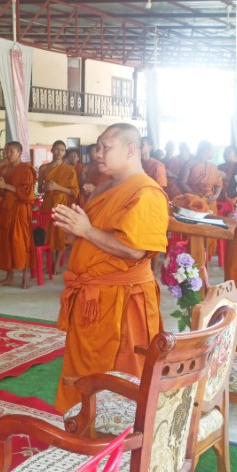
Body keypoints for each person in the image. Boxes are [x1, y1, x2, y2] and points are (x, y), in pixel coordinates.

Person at [51, 123, 169, 412]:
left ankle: (118, 431)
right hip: (93, 298)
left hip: (122, 299)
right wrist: (77, 231)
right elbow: (95, 234)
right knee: (84, 370)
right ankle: (83, 423)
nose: (98, 154)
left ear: (130, 150)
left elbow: (133, 249)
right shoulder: (105, 186)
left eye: (106, 148)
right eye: (98, 148)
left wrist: (86, 231)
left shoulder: (145, 192)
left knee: (119, 372)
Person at [0, 142, 36, 288]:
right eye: (6, 151)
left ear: (19, 153)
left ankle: (25, 274)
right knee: (6, 242)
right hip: (6, 209)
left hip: (20, 210)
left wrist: (6, 186)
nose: (8, 154)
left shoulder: (26, 169)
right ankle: (9, 276)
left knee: (21, 241)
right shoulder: (4, 169)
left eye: (11, 151)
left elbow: (28, 194)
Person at [38, 140, 80, 273]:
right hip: (48, 203)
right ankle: (50, 262)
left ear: (64, 152)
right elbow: (39, 189)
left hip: (62, 203)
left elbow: (74, 191)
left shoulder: (69, 169)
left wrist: (57, 187)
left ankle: (56, 264)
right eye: (56, 149)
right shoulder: (43, 168)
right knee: (48, 234)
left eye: (62, 150)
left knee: (60, 234)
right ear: (52, 150)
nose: (59, 152)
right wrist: (46, 188)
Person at [177, 140, 224, 210]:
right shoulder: (189, 164)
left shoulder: (213, 167)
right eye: (212, 150)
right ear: (206, 150)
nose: (213, 152)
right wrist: (195, 195)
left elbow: (219, 184)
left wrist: (216, 195)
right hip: (193, 201)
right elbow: (182, 183)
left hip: (210, 201)